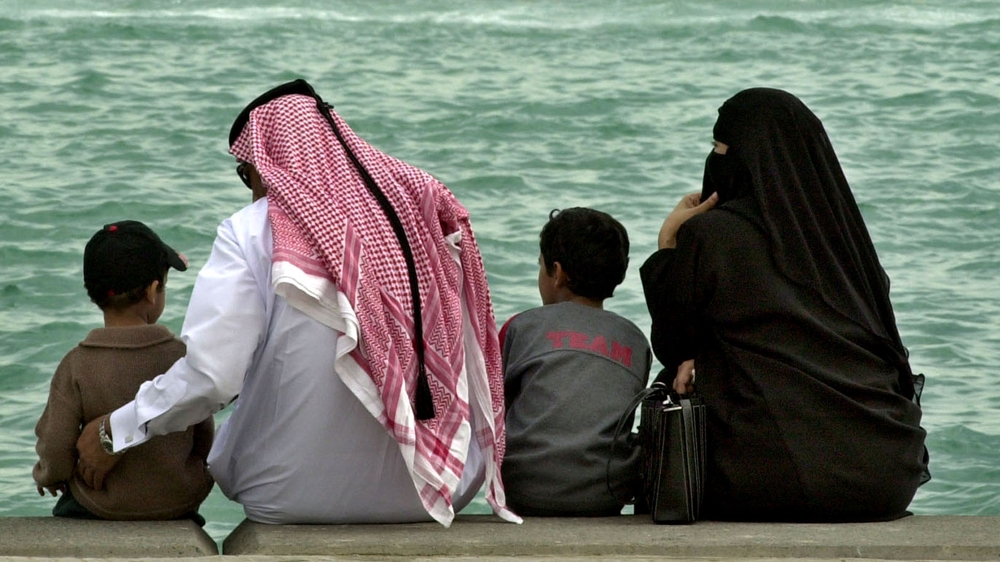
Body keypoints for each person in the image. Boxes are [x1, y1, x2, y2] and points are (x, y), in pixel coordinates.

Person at [75, 79, 520, 526]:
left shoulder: (250, 231)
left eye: (247, 175)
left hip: (291, 493)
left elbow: (212, 376)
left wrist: (118, 431)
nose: (250, 191)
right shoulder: (418, 216)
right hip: (441, 487)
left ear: (264, 163)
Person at [641, 88, 930, 522]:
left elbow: (671, 338)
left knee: (676, 377)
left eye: (719, 147)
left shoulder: (714, 237)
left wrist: (669, 247)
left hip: (775, 480)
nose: (714, 158)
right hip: (887, 475)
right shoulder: (842, 243)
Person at [34, 221, 213, 522]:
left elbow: (55, 446)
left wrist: (48, 475)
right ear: (153, 291)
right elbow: (203, 437)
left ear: (94, 294)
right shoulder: (182, 357)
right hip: (178, 504)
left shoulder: (76, 364)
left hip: (99, 506)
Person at [501, 207, 651, 516]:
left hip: (525, 490)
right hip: (605, 494)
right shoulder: (635, 341)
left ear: (557, 272)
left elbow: (491, 405)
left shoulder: (520, 327)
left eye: (540, 266)